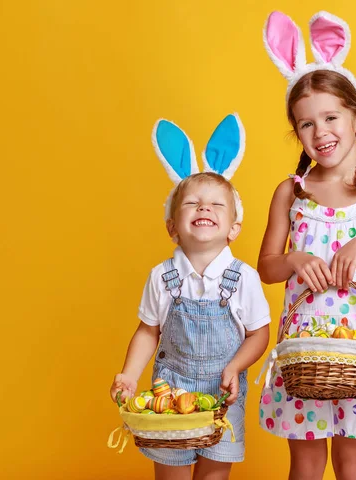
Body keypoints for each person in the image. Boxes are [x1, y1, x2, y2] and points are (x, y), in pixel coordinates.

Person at [257, 11, 356, 480]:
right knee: (305, 465)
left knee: (352, 464)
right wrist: (294, 259)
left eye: (331, 117)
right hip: (303, 352)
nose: (320, 132)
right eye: (306, 124)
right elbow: (266, 267)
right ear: (297, 133)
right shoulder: (291, 192)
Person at [110, 114, 270, 480]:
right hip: (169, 394)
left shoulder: (244, 278)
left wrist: (236, 367)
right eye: (192, 203)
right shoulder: (161, 277)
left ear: (234, 227)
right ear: (171, 226)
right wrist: (128, 375)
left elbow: (259, 333)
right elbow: (148, 330)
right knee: (171, 475)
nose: (204, 209)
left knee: (214, 474)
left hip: (223, 394)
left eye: (216, 205)